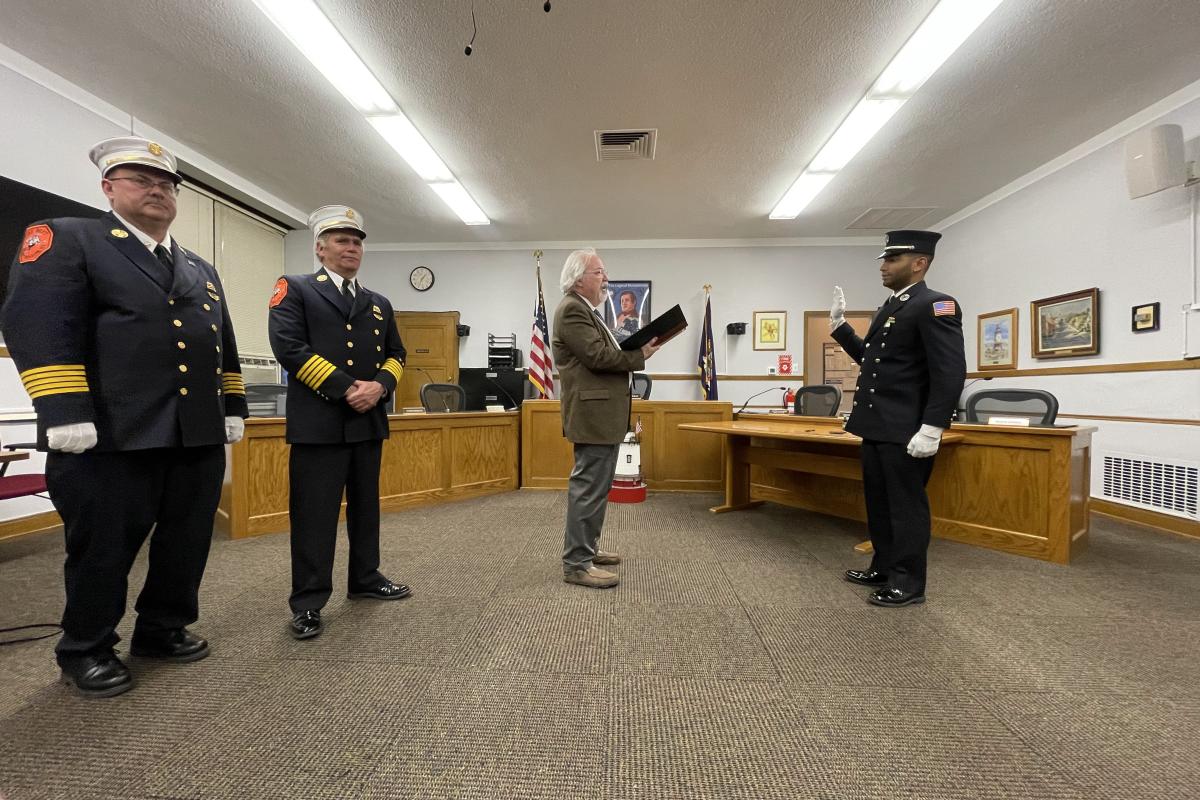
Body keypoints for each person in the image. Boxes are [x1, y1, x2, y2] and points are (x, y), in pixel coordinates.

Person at [1, 137, 248, 697]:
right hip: (109, 433)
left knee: (186, 541)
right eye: (141, 179)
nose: (157, 189)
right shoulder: (70, 239)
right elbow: (36, 322)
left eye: (166, 183)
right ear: (109, 187)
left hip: (194, 432)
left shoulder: (198, 266)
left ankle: (162, 627)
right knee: (104, 549)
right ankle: (85, 647)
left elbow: (221, 344)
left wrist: (231, 405)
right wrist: (63, 409)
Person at [267, 205, 410, 640]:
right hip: (319, 423)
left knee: (367, 509)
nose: (351, 247)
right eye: (342, 240)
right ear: (320, 247)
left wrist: (381, 386)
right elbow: (288, 347)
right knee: (315, 515)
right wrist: (348, 387)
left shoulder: (379, 304)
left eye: (357, 241)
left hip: (367, 424)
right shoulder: (295, 289)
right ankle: (308, 602)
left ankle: (365, 578)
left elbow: (397, 355)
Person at [828, 229, 965, 607]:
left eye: (893, 259)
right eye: (884, 259)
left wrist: (933, 427)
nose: (884, 266)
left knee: (906, 507)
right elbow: (873, 360)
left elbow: (950, 372)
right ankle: (884, 566)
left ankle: (908, 583)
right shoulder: (890, 307)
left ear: (919, 263)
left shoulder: (936, 305)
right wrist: (841, 328)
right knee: (879, 502)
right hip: (877, 425)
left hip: (907, 428)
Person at [552, 249, 661, 588]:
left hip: (602, 415)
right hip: (592, 415)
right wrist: (639, 354)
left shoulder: (587, 310)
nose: (606, 279)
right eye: (599, 272)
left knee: (597, 490)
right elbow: (598, 357)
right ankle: (577, 565)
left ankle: (586, 550)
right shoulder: (572, 309)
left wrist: (633, 350)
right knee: (588, 489)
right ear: (579, 278)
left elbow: (604, 354)